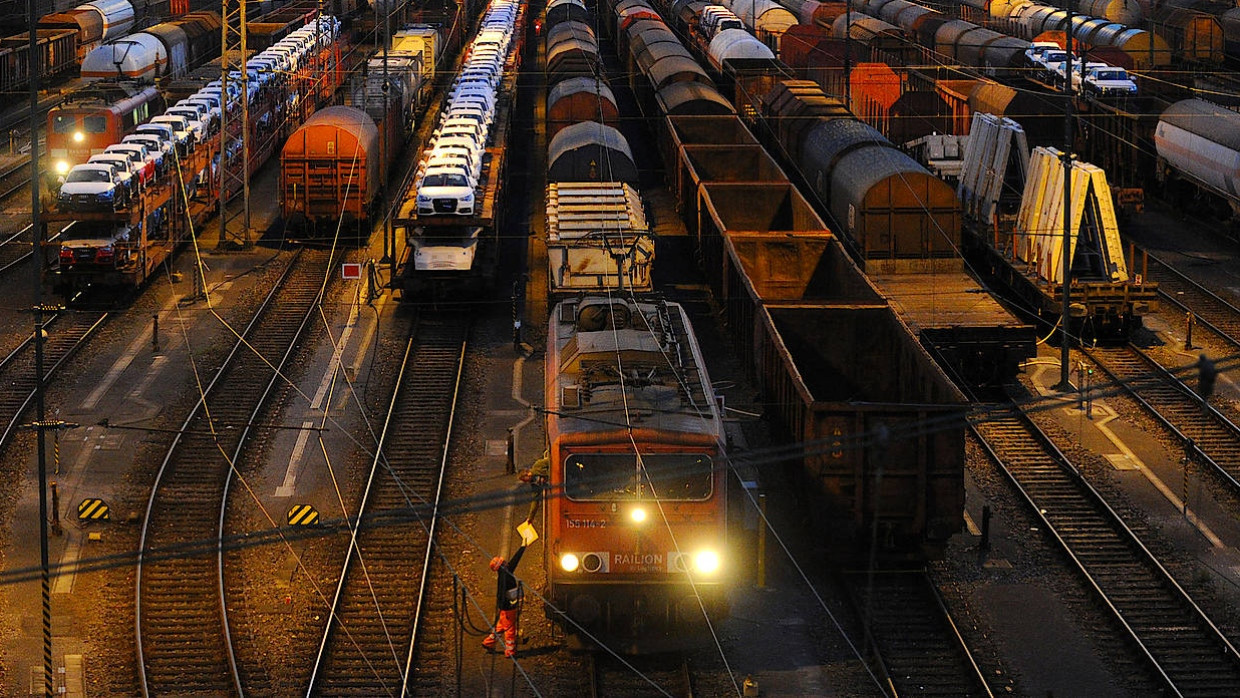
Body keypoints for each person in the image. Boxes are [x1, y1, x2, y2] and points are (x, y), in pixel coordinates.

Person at [483, 543, 527, 657]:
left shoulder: (504, 573)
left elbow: (514, 562)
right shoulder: (505, 575)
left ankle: (488, 643)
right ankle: (510, 651)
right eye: (503, 562)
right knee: (510, 628)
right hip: (508, 607)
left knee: (501, 626)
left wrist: (523, 546)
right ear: (502, 565)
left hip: (504, 607)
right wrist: (512, 603)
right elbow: (503, 593)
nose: (506, 562)